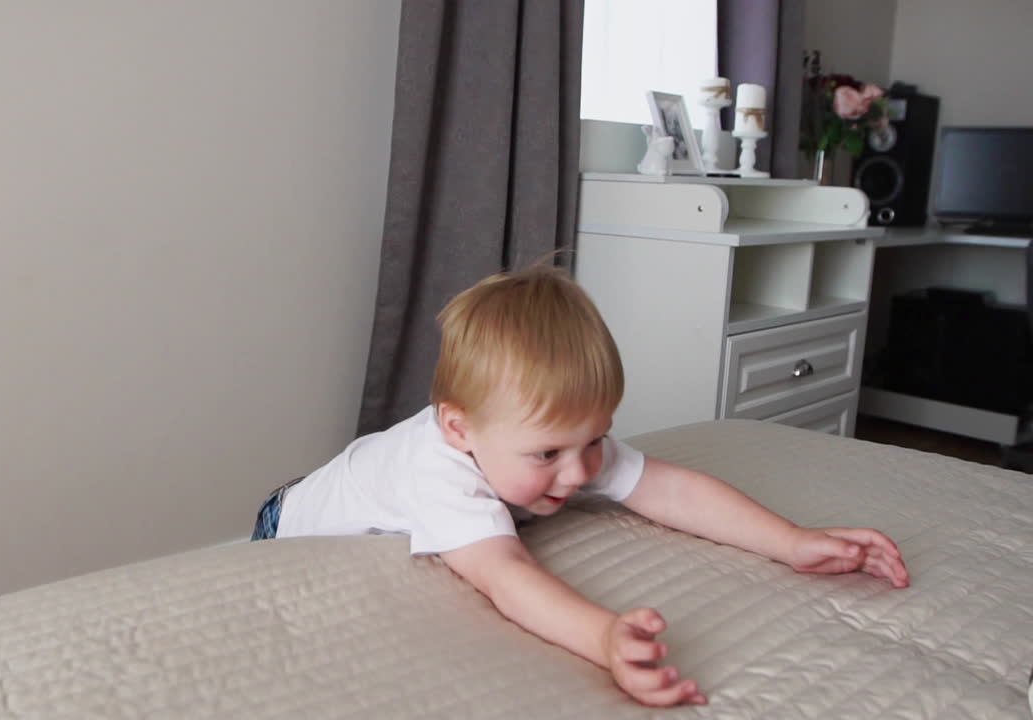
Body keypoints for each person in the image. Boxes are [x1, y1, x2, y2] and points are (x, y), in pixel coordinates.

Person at [250, 265, 910, 707]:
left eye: (595, 439)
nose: (580, 472)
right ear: (459, 429)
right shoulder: (439, 473)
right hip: (291, 520)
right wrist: (603, 638)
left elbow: (672, 491)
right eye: (547, 454)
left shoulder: (560, 442)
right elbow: (506, 575)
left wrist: (791, 541)